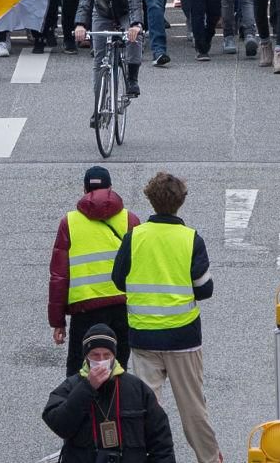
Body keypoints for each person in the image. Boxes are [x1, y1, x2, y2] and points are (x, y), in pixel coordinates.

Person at [110, 170, 219, 463]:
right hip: (183, 336)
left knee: (146, 406)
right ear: (181, 201)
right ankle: (209, 458)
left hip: (143, 335)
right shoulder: (190, 239)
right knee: (193, 407)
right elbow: (204, 289)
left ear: (150, 199)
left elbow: (118, 279)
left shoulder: (135, 237)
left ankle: (143, 457)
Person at [41, 326, 177, 463]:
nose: (101, 360)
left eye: (106, 355)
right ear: (86, 357)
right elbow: (60, 425)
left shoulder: (137, 389)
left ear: (114, 356)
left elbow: (162, 444)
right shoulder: (71, 386)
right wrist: (87, 387)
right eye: (95, 355)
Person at [49, 164, 136, 374]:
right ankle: (114, 407)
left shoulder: (69, 222)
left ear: (84, 190)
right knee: (118, 372)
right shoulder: (129, 220)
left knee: (78, 376)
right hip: (122, 310)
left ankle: (83, 407)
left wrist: (58, 321)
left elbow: (59, 276)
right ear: (110, 188)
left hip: (84, 311)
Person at [72, 0, 148, 100]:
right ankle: (98, 104)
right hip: (101, 12)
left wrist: (135, 25)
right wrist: (80, 25)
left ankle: (132, 78)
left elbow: (135, 0)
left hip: (125, 13)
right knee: (99, 60)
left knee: (134, 38)